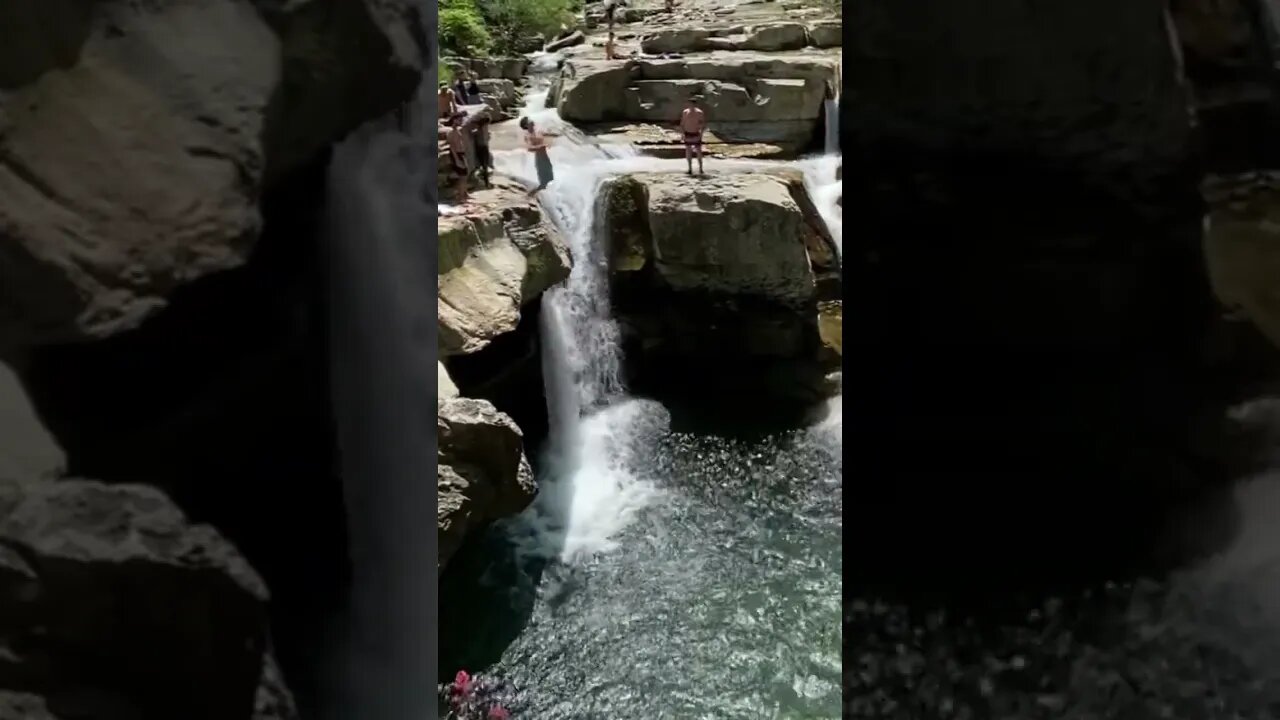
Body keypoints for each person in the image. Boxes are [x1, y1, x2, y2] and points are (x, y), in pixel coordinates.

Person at [519, 116, 558, 196]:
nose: (532, 121)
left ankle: (551, 198)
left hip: (546, 158)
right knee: (544, 182)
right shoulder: (528, 135)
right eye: (529, 121)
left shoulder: (538, 131)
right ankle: (533, 196)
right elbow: (529, 148)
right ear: (526, 125)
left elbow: (547, 134)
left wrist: (557, 134)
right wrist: (541, 146)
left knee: (551, 179)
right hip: (540, 160)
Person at [446, 113, 471, 204]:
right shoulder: (451, 132)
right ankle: (461, 197)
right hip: (456, 155)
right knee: (462, 176)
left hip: (461, 154)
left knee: (465, 174)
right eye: (459, 120)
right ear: (454, 120)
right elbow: (452, 147)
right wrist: (457, 159)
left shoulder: (457, 131)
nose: (461, 121)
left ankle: (465, 194)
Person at [678, 95, 706, 175]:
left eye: (692, 104)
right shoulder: (685, 112)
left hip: (696, 133)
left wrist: (701, 134)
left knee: (698, 152)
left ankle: (701, 169)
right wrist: (682, 133)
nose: (691, 105)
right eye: (689, 103)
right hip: (687, 133)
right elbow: (682, 123)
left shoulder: (699, 113)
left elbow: (702, 124)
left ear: (695, 104)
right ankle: (690, 169)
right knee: (688, 151)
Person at [472, 114, 494, 189]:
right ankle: (487, 183)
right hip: (483, 148)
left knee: (484, 166)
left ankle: (486, 182)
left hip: (481, 148)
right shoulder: (482, 130)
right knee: (485, 166)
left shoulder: (478, 130)